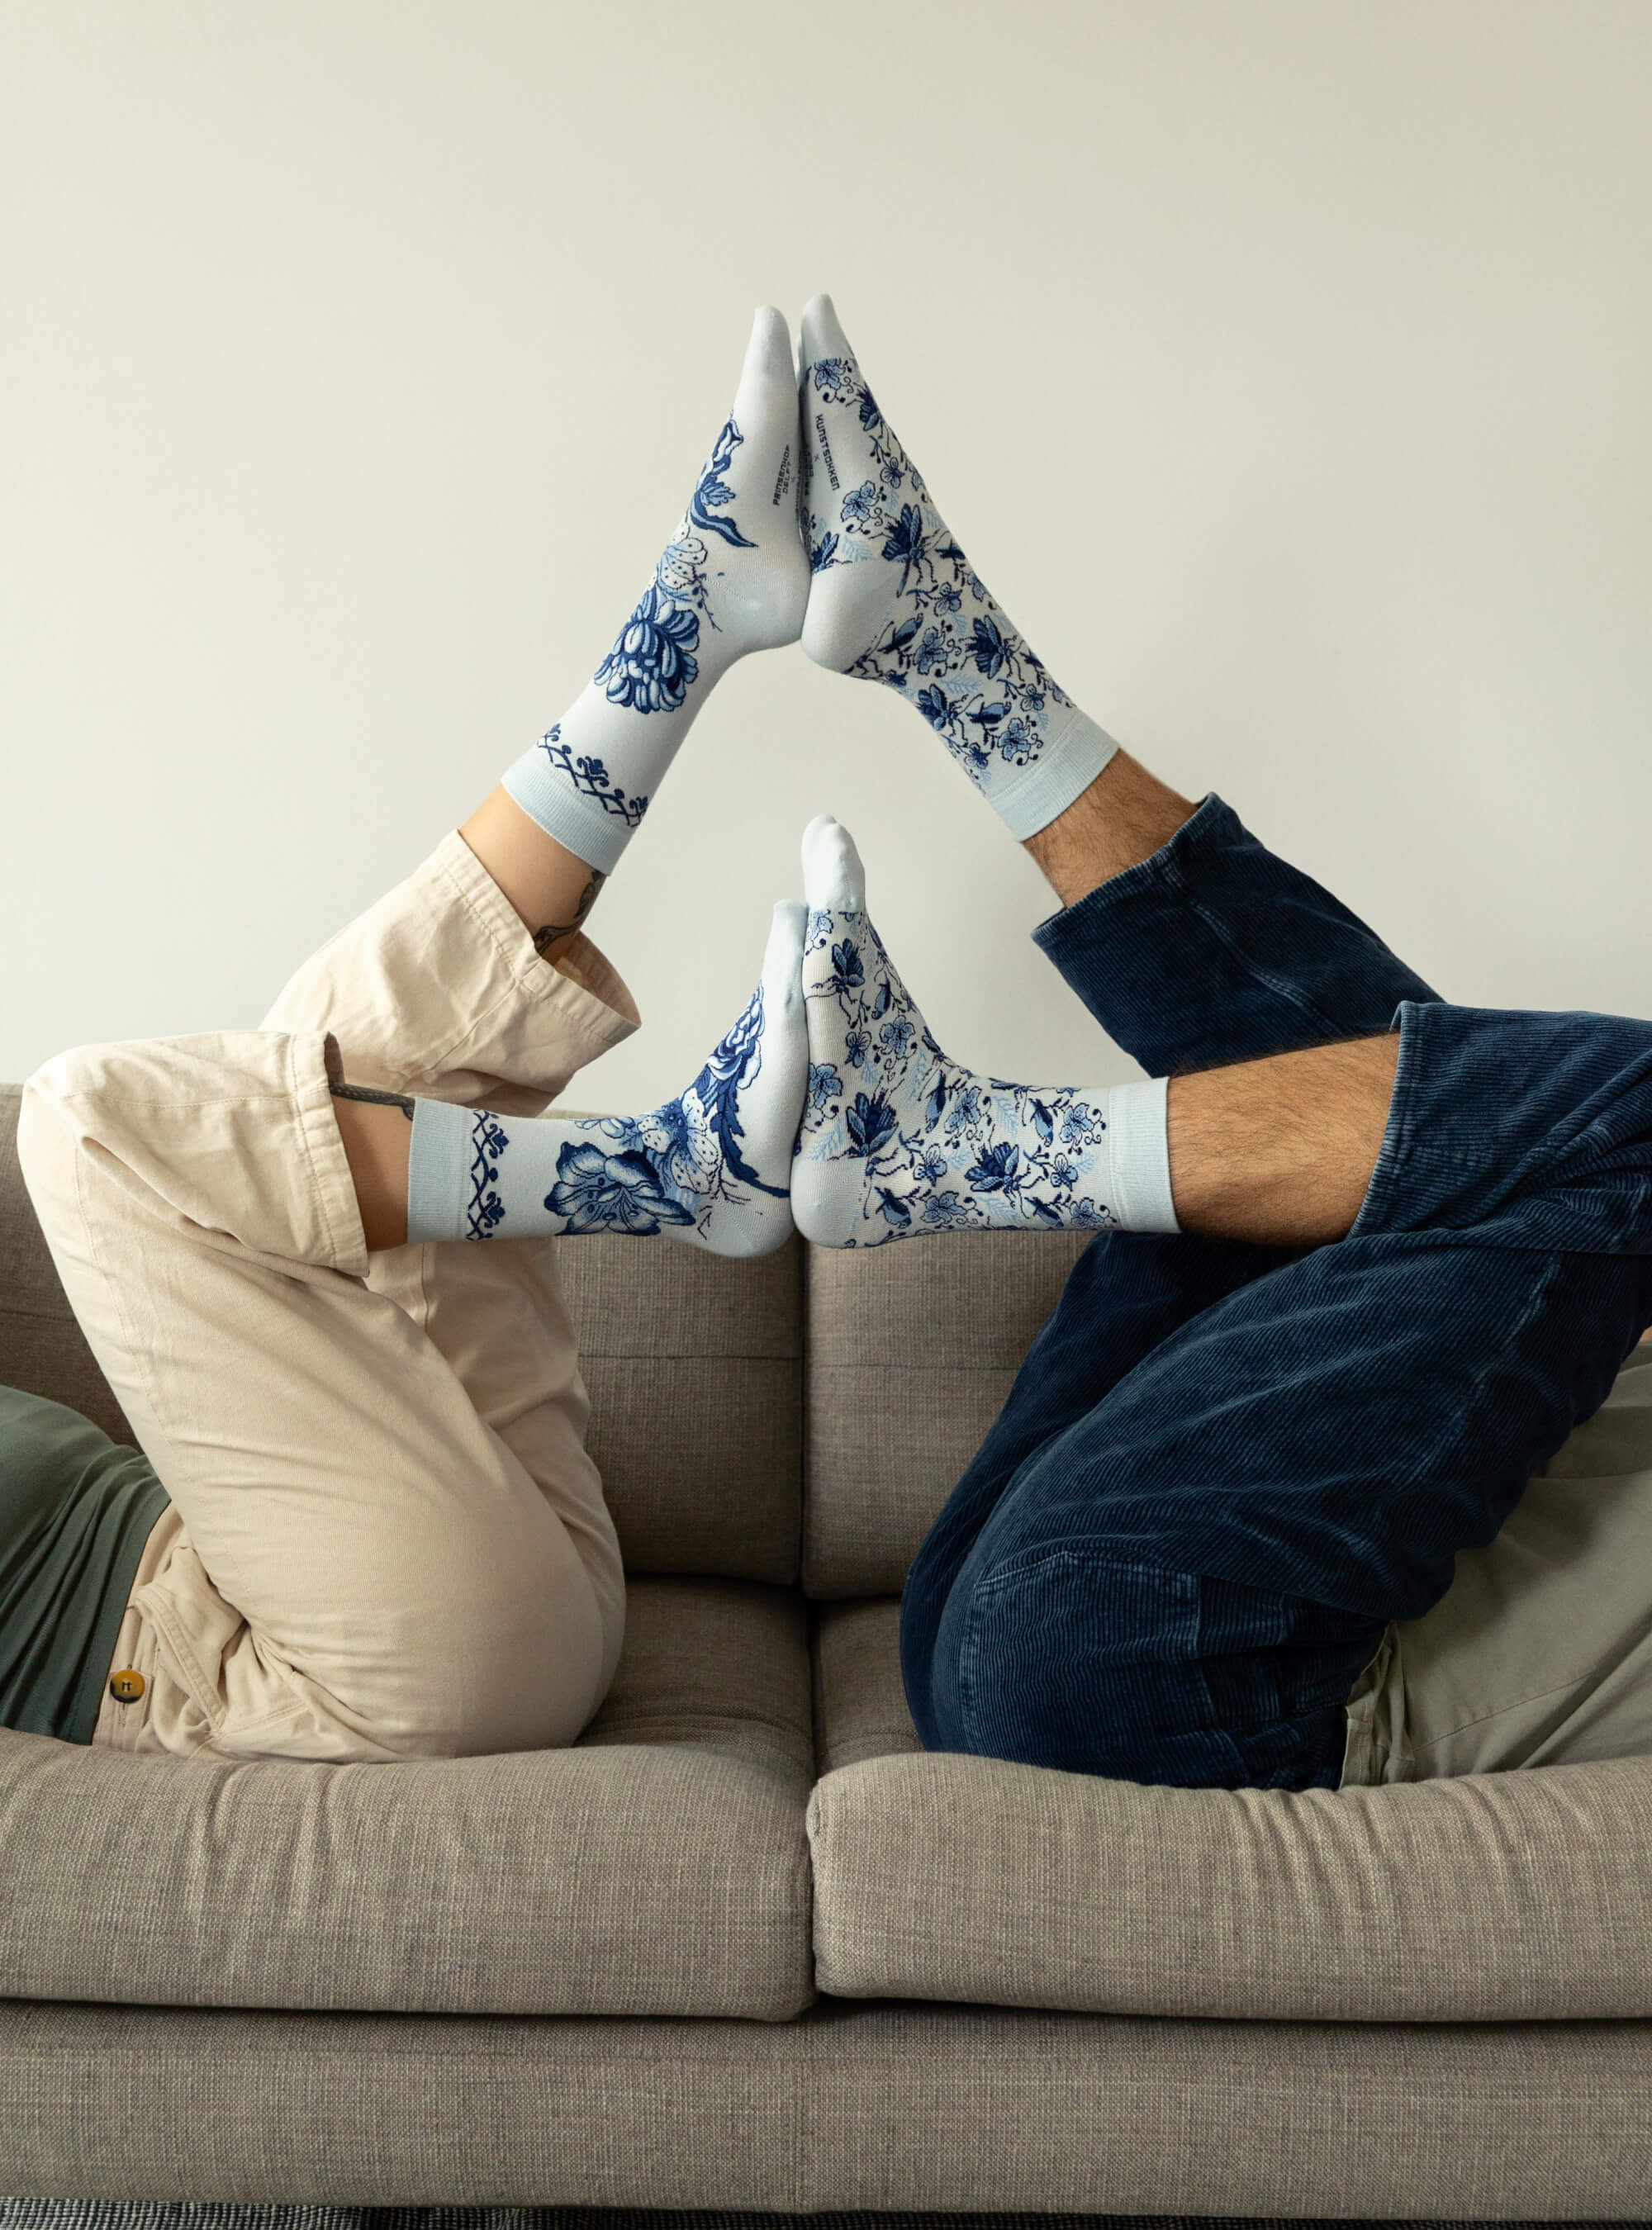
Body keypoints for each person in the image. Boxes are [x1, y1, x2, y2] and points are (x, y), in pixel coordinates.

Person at [10, 300, 1652, 1786]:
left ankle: (741, 639)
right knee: (104, 1126)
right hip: (325, 1668)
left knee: (271, 1072)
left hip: (491, 1573)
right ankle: (858, 967)